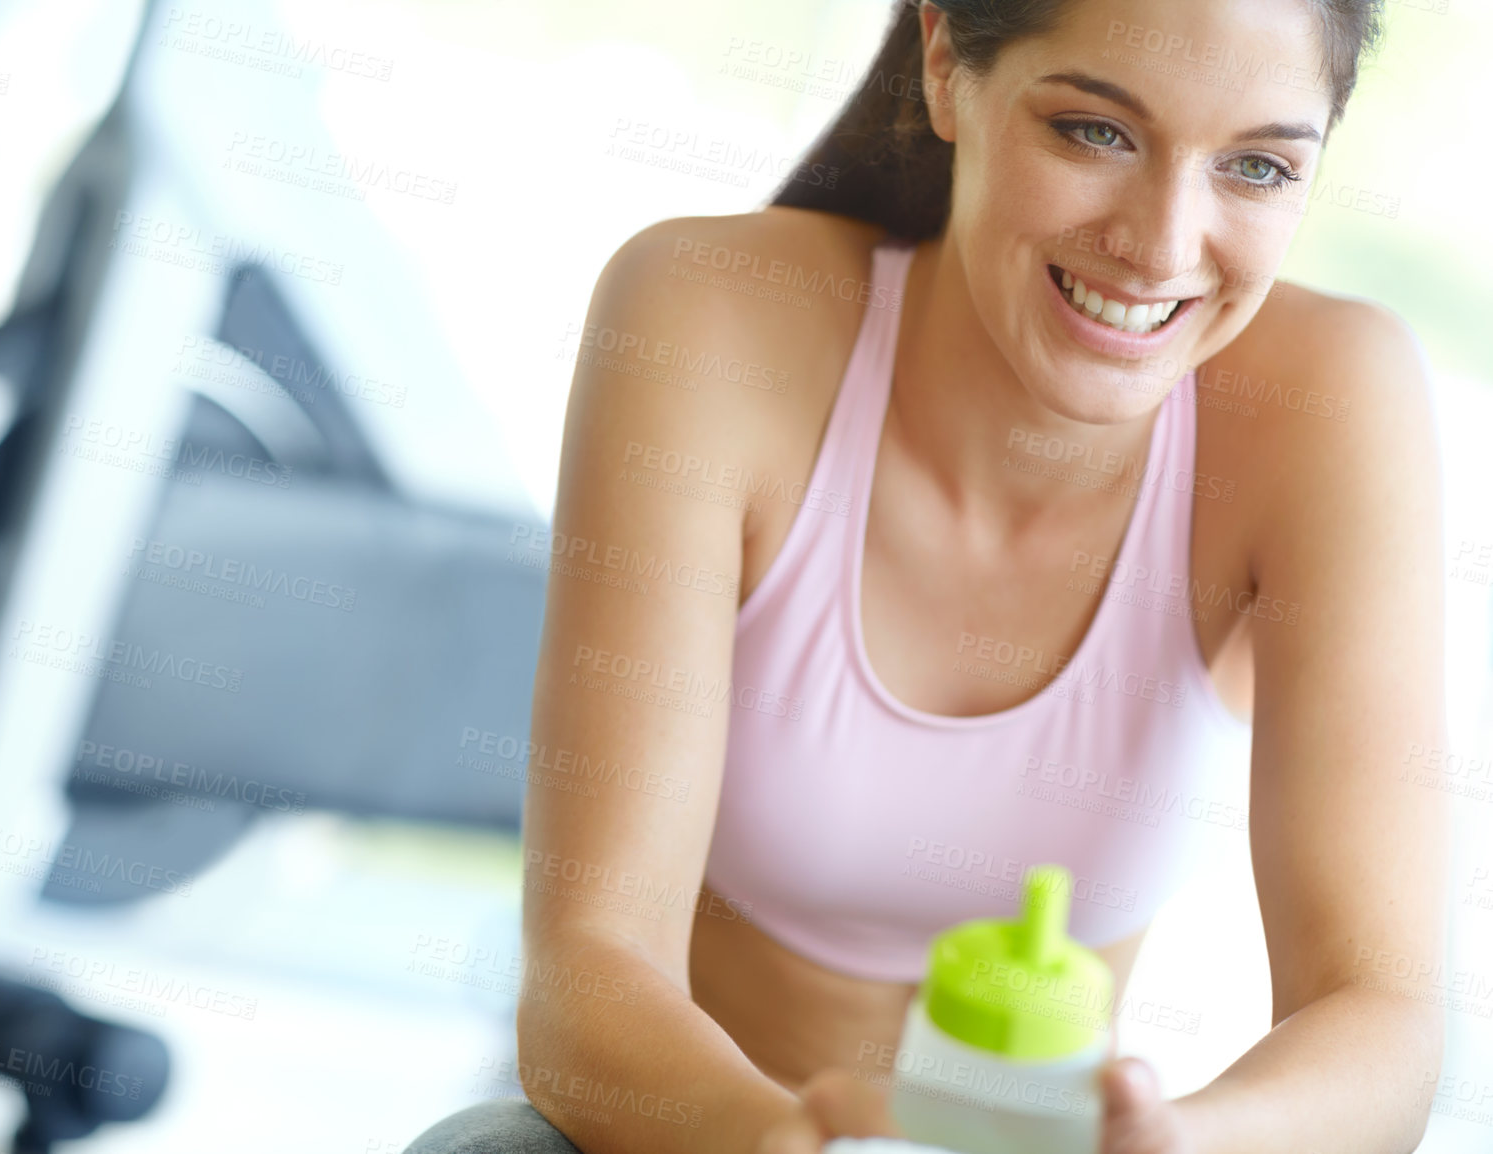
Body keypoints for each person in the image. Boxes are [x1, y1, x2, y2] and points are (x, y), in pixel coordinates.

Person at [407, 0, 1447, 1151]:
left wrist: (1177, 1145)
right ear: (946, 60)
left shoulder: (1328, 404)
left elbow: (1382, 1019)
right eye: (1094, 132)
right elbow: (584, 979)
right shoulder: (705, 316)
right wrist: (806, 1144)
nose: (1160, 244)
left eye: (1254, 166)